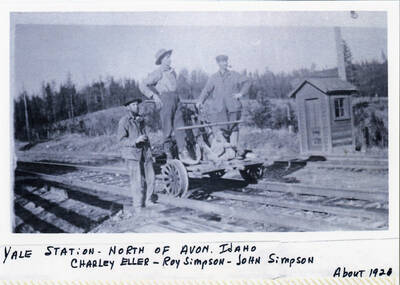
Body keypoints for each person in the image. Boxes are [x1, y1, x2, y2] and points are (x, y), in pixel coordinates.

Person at [139, 49, 196, 164]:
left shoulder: (173, 72)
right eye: (167, 57)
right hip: (165, 100)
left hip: (176, 100)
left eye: (170, 57)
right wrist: (153, 96)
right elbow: (142, 85)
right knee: (167, 128)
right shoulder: (158, 73)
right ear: (161, 60)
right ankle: (168, 153)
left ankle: (183, 152)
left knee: (180, 127)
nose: (170, 59)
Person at [197, 54, 251, 158]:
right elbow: (206, 90)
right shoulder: (213, 77)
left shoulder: (234, 75)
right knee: (221, 129)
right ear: (218, 64)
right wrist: (200, 101)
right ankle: (226, 152)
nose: (224, 63)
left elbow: (248, 81)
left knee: (233, 128)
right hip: (219, 109)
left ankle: (234, 151)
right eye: (222, 62)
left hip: (234, 107)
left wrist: (241, 93)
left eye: (226, 61)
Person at [117, 98, 155, 214]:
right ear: (128, 107)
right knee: (137, 181)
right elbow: (121, 140)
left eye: (137, 104)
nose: (136, 107)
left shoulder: (140, 120)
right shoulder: (124, 121)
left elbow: (145, 135)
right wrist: (135, 140)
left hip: (145, 152)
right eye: (133, 105)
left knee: (151, 178)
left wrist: (149, 148)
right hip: (132, 155)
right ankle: (138, 205)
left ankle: (148, 200)